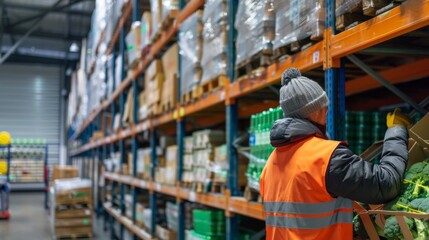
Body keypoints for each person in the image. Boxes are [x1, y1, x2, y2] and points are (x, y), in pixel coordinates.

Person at [260, 68, 412, 240]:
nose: (327, 112)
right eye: (324, 107)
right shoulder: (326, 157)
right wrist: (396, 130)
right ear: (315, 110)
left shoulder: (270, 163)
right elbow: (386, 184)